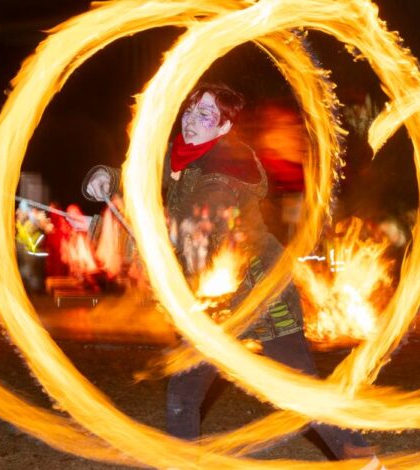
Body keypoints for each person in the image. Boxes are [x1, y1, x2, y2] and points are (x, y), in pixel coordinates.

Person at [83, 83, 376, 461]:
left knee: (299, 390)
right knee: (185, 392)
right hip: (217, 300)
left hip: (261, 296)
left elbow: (200, 231)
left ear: (223, 127)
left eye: (205, 115)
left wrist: (119, 235)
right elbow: (144, 173)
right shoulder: (182, 154)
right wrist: (106, 178)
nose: (191, 120)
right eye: (190, 110)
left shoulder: (226, 167)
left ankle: (365, 462)